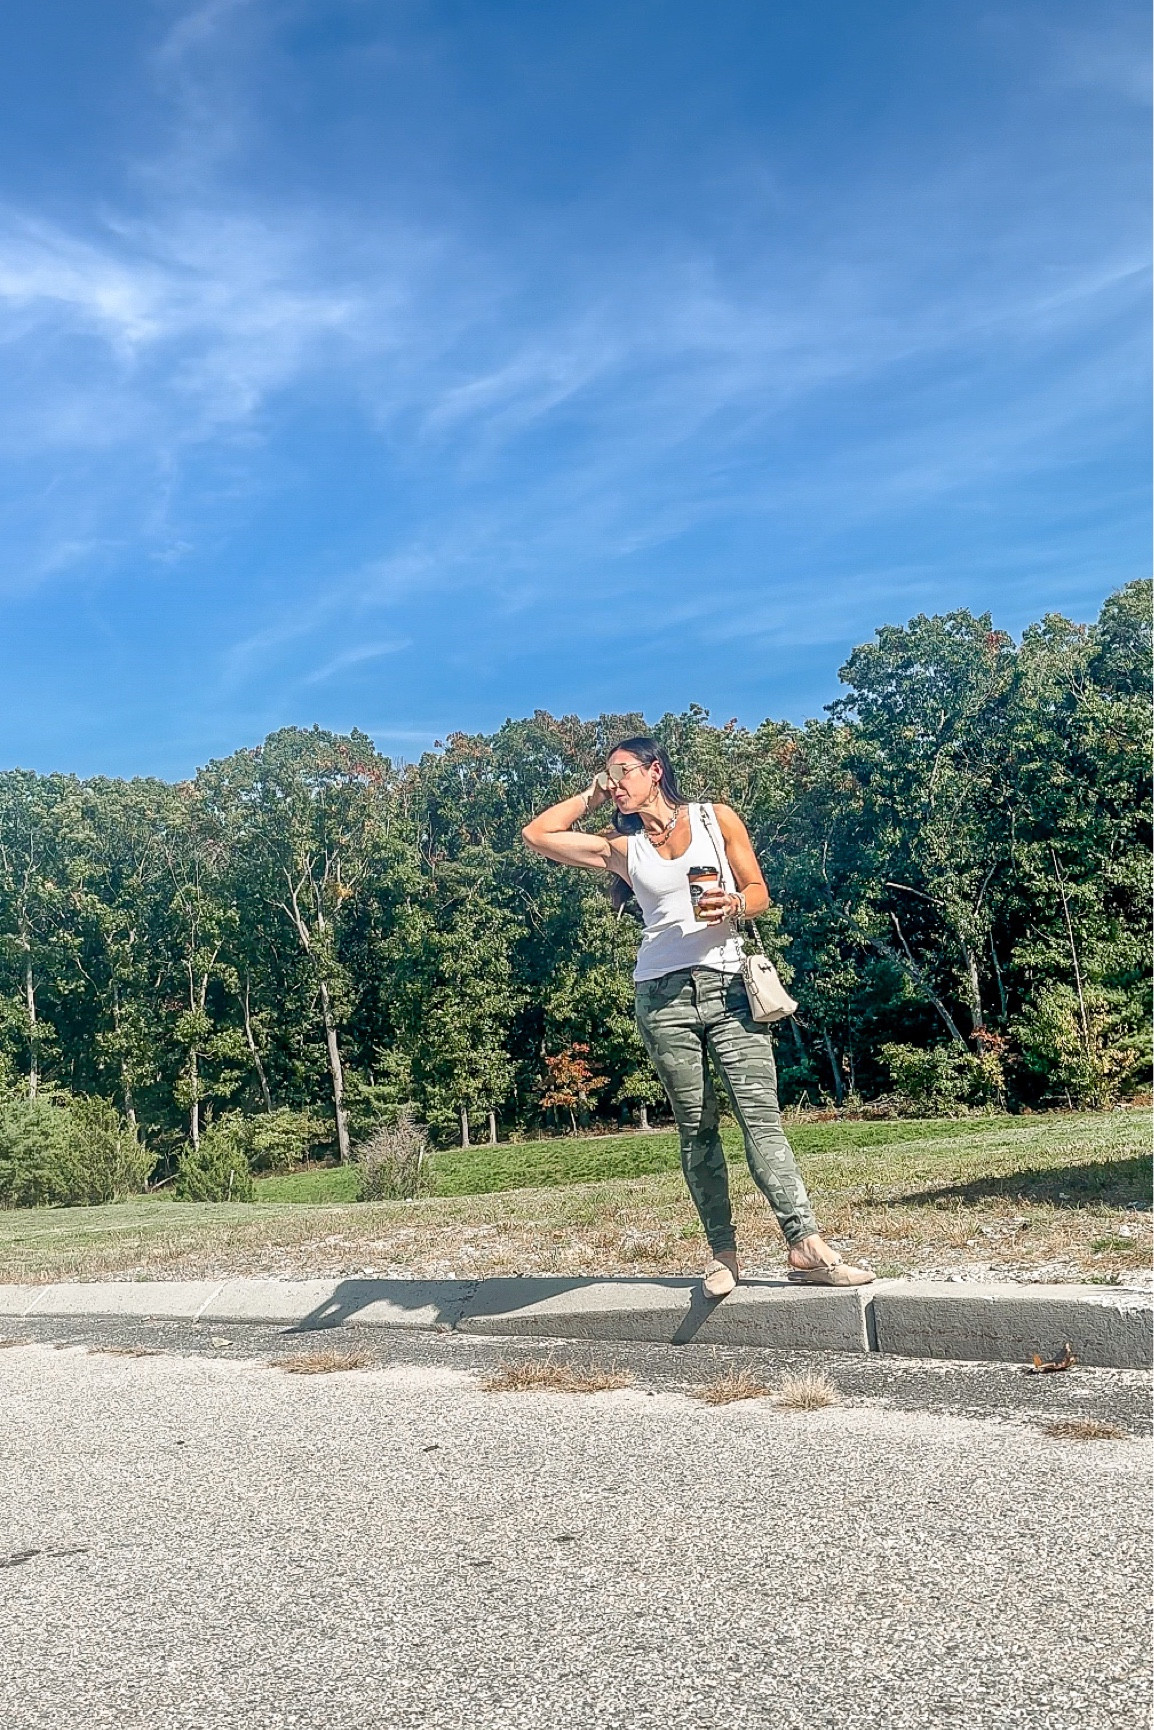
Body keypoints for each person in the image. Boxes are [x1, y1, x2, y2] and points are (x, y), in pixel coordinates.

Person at [522, 735, 873, 1297]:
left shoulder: (716, 818)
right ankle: (722, 1255)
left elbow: (758, 890)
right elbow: (537, 835)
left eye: (622, 772)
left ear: (654, 769)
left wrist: (734, 903)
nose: (614, 784)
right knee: (697, 1126)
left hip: (731, 987)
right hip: (661, 997)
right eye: (607, 776)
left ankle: (805, 1242)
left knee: (761, 1119)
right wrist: (592, 793)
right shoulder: (620, 846)